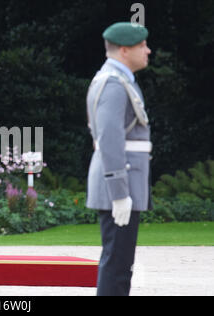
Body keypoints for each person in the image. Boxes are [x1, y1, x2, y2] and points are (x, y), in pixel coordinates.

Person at [85, 22, 152, 296]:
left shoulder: (117, 80)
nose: (148, 50)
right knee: (117, 267)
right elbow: (110, 139)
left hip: (123, 183)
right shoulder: (113, 83)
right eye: (142, 46)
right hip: (120, 185)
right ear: (124, 50)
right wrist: (119, 192)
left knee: (120, 264)